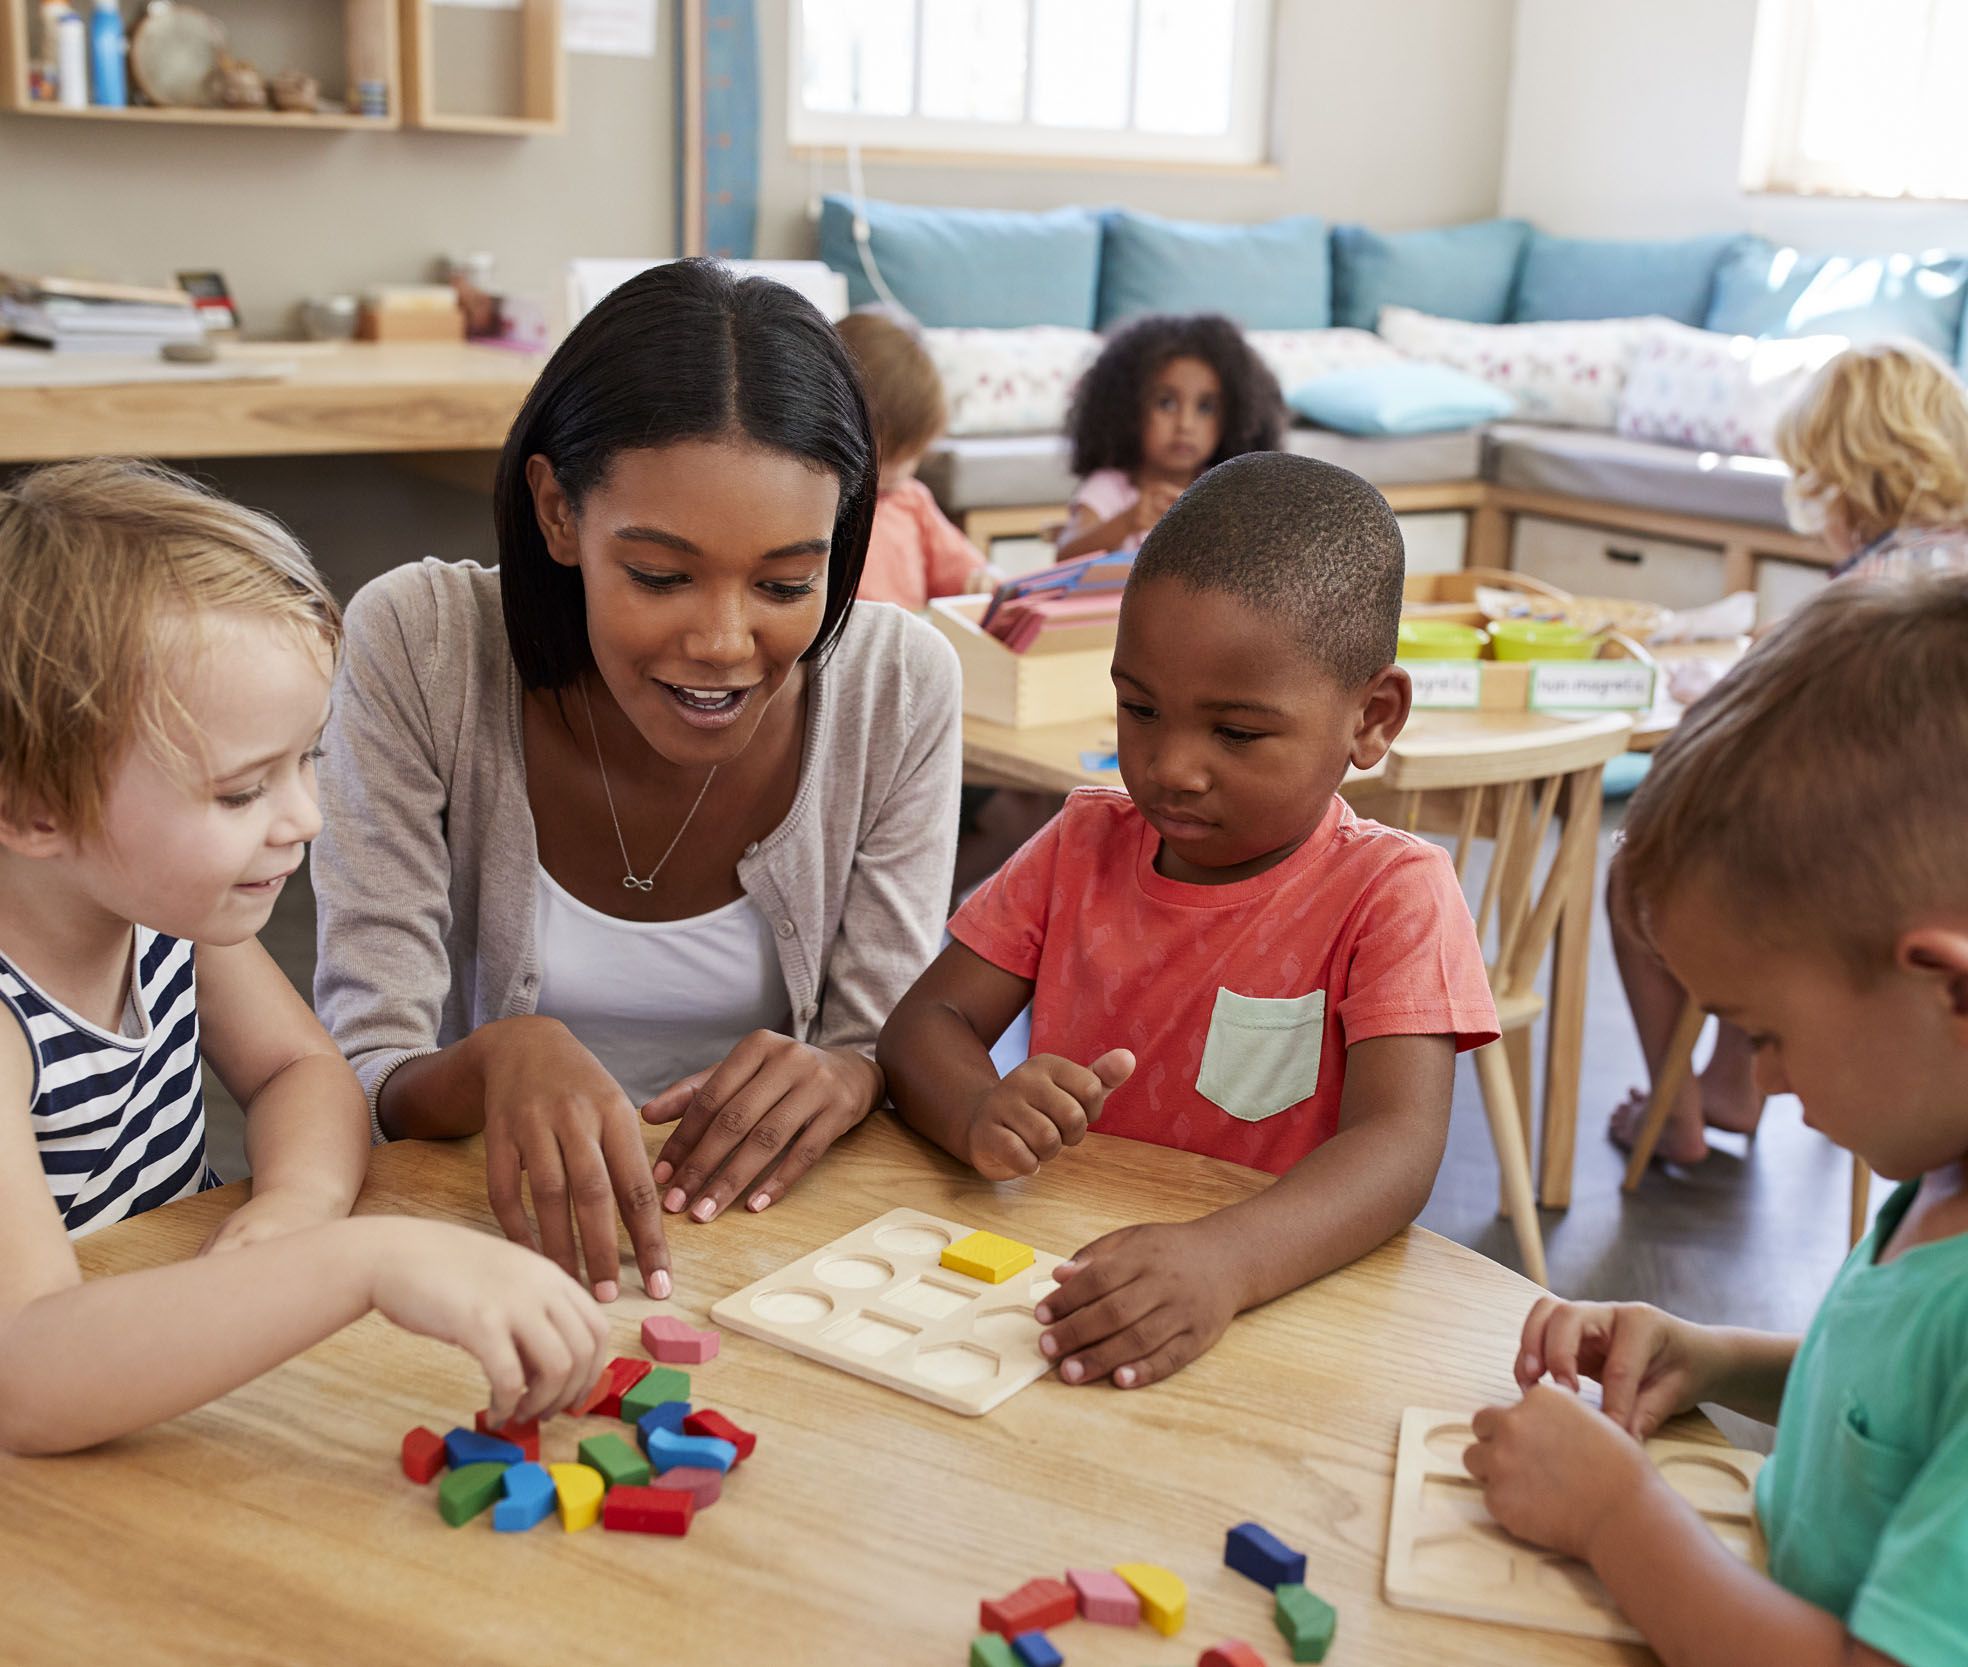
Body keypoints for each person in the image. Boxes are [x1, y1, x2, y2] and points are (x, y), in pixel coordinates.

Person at [313, 260, 963, 1305]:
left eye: (788, 582)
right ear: (557, 512)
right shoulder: (419, 644)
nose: (723, 640)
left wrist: (855, 1072)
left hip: (782, 1260)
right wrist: (493, 1059)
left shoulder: (896, 682)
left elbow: (876, 1039)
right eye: (660, 575)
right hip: (480, 1249)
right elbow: (356, 1066)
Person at [0, 460, 606, 1454]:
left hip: (159, 1393)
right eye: (242, 791)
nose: (307, 819)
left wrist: (295, 1208)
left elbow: (302, 1069)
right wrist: (359, 1260)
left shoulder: (163, 915)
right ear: (33, 808)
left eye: (308, 757)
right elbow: (25, 1375)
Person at [880, 453, 1497, 1391]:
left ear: (1373, 717)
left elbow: (1398, 1148)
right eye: (1140, 708)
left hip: (1274, 1309)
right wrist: (977, 1108)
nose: (1172, 765)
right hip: (1061, 1284)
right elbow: (926, 1024)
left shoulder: (1393, 894)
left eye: (1237, 733)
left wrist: (1228, 1260)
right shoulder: (1080, 843)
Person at [1469, 576, 1968, 1667]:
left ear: (1950, 990)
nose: (1768, 1084)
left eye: (1760, 1031)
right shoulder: (1942, 1172)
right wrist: (1717, 1358)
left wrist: (1613, 1515)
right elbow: (1901, 1408)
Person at [1611, 340, 1968, 1164]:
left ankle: (1680, 1108)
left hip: (1869, 876)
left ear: (1842, 479)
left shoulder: (1867, 598)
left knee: (1643, 877)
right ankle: (1733, 1078)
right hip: (1927, 864)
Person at [1054, 312, 1284, 564]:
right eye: (1166, 403)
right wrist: (1128, 521)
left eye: (1206, 408)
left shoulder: (1225, 489)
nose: (1185, 424)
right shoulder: (1109, 487)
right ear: (1126, 408)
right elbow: (1065, 554)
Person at [835, 308, 992, 610]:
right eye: (891, 451)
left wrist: (982, 580)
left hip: (905, 648)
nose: (904, 468)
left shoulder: (911, 499)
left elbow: (965, 570)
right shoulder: (818, 508)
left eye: (912, 452)